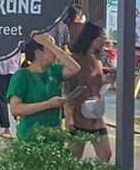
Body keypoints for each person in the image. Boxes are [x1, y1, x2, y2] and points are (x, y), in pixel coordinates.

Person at [8, 33, 81, 141]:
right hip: (30, 136)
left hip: (54, 135)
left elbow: (75, 68)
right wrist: (48, 104)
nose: (55, 50)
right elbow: (15, 109)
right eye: (50, 47)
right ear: (38, 52)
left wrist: (49, 44)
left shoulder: (55, 70)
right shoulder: (22, 76)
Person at [64, 22, 112, 161]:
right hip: (79, 113)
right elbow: (68, 90)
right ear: (92, 38)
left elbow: (98, 83)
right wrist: (69, 115)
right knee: (74, 156)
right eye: (102, 36)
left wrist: (107, 80)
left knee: (105, 154)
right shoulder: (76, 60)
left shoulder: (96, 60)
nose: (104, 40)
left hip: (95, 113)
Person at [0, 51, 21, 139]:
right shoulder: (16, 37)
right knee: (16, 96)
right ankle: (18, 120)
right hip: (14, 67)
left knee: (1, 99)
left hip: (0, 68)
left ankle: (6, 128)